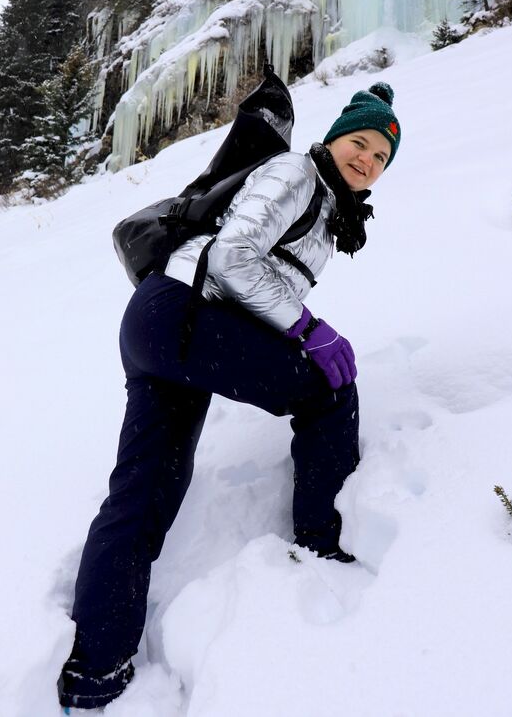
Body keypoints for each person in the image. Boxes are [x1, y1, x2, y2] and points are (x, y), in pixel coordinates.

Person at [57, 81, 401, 711]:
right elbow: (234, 258)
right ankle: (321, 542)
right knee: (330, 390)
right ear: (334, 139)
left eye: (381, 157)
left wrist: (296, 322)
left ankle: (95, 670)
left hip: (162, 321)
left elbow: (251, 267)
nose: (368, 161)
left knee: (145, 491)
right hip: (188, 312)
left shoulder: (327, 203)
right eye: (360, 142)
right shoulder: (297, 169)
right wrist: (307, 327)